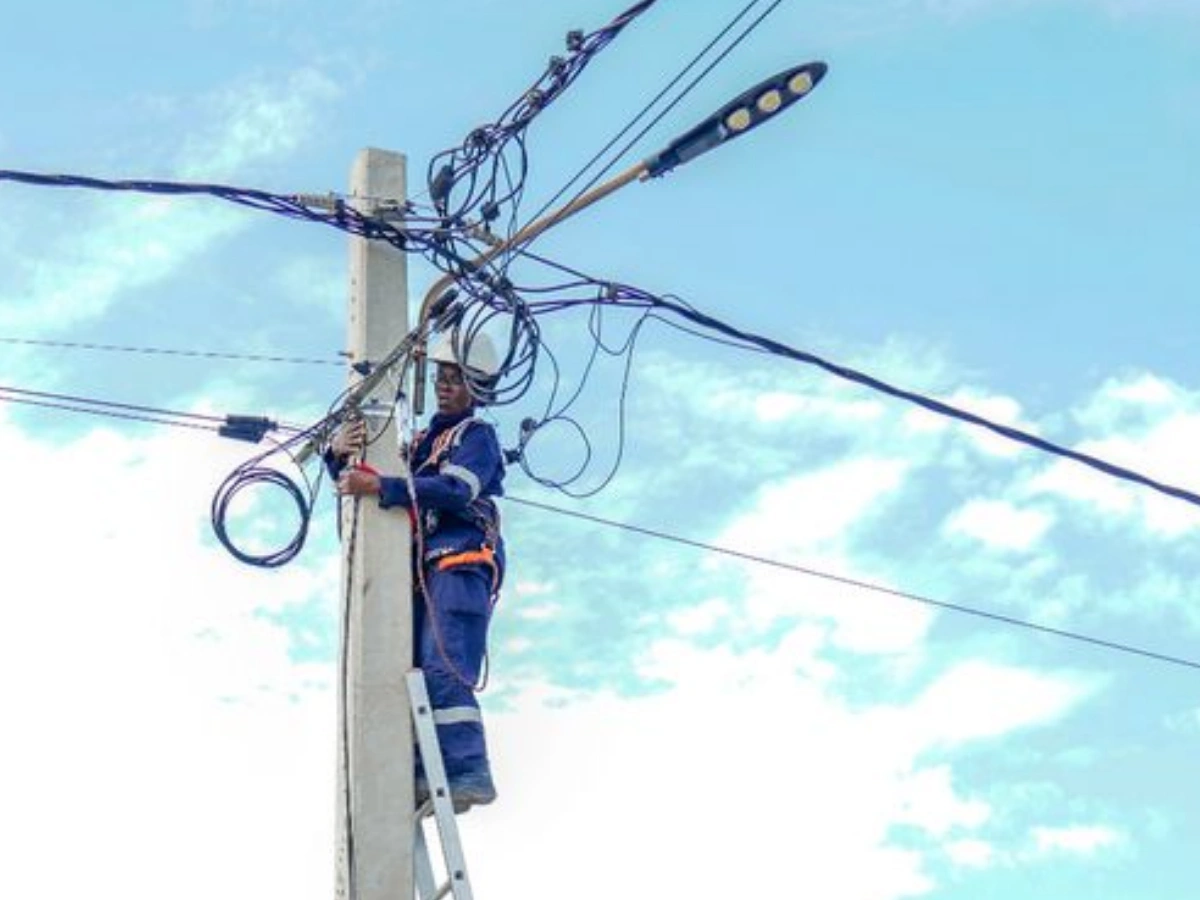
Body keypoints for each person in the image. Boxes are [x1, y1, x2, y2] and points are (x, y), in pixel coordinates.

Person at [328, 332, 506, 813]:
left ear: (478, 390)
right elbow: (372, 483)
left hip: (459, 563)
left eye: (457, 380)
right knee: (408, 672)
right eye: (442, 377)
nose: (446, 387)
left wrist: (381, 484)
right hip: (424, 572)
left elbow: (453, 490)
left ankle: (467, 770)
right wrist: (339, 454)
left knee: (442, 666)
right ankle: (425, 770)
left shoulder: (476, 437)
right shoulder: (422, 443)